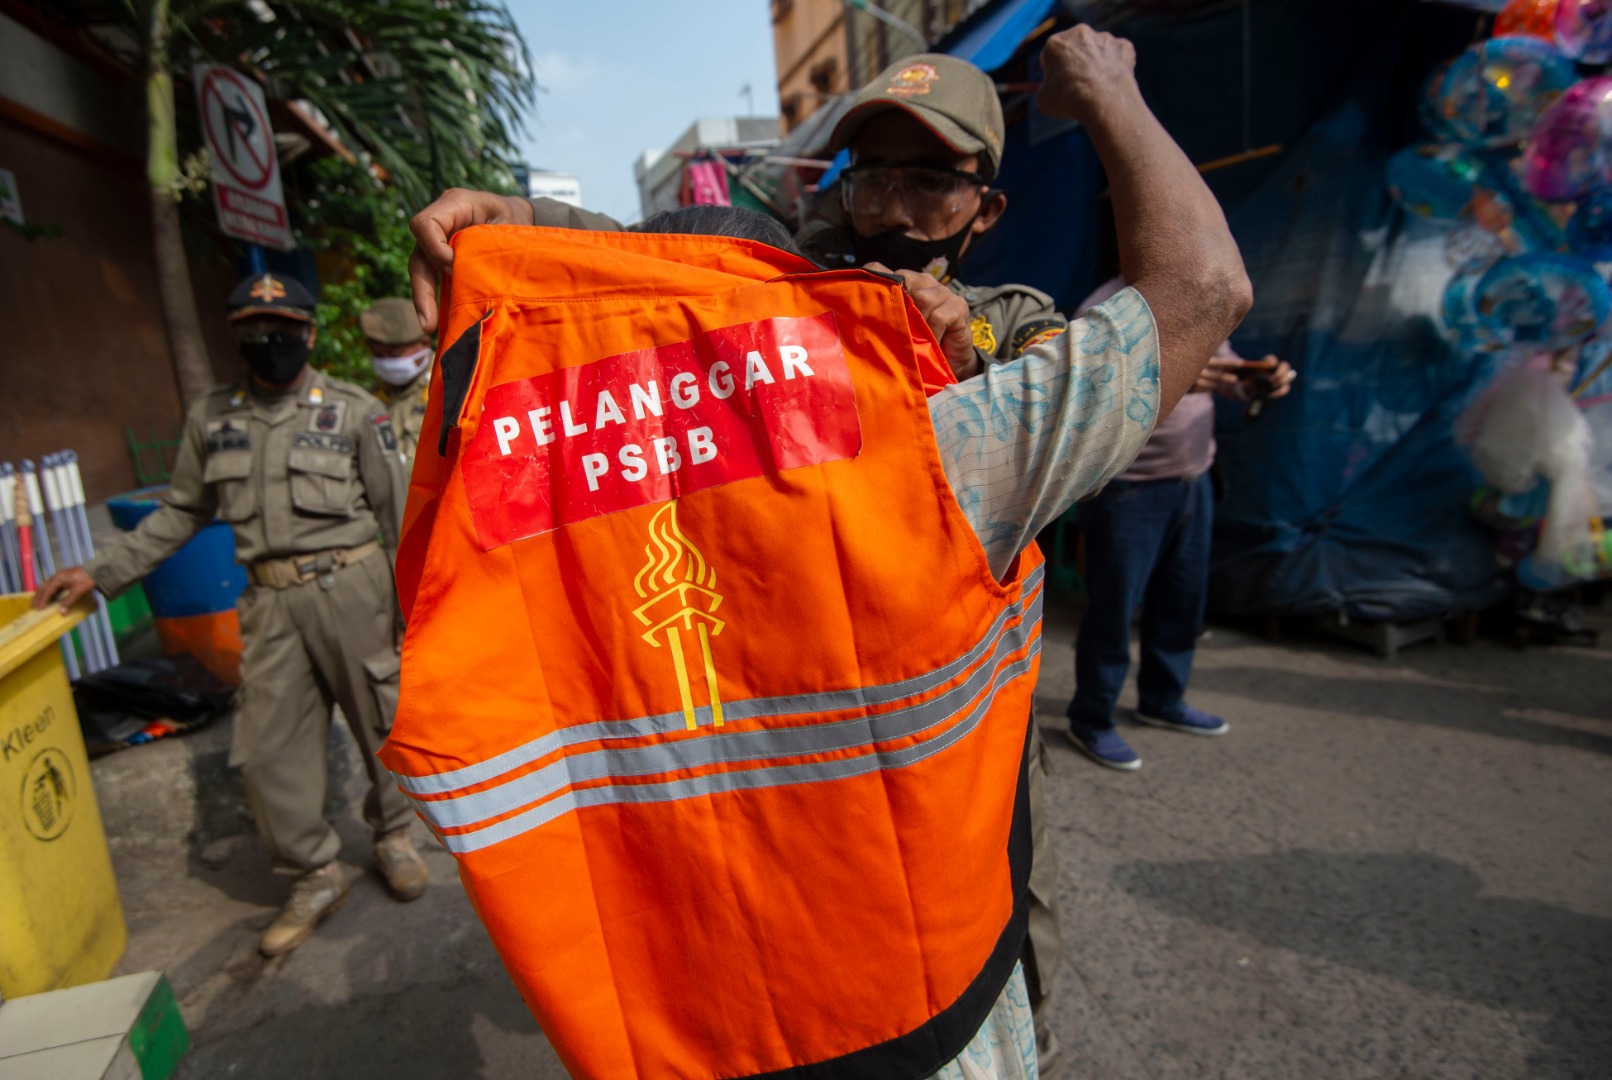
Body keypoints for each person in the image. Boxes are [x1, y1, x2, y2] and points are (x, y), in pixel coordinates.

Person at [395, 24, 1250, 1079]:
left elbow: (1107, 338)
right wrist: (521, 222)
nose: (893, 210)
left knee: (995, 903)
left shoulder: (999, 330)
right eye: (876, 174)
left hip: (949, 734)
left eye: (931, 182)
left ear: (986, 213)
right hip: (770, 730)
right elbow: (660, 263)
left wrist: (952, 348)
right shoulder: (779, 313)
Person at [33, 271, 430, 957]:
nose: (269, 339)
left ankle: (394, 835)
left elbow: (399, 518)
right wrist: (101, 573)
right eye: (253, 329)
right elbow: (182, 512)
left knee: (384, 722)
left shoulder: (354, 409)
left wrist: (413, 612)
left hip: (355, 586)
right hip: (269, 602)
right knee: (266, 748)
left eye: (282, 328)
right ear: (236, 335)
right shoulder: (214, 419)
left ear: (308, 332)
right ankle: (312, 871)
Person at [1063, 278, 1294, 771]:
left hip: (1194, 480)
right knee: (1113, 610)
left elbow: (1226, 374)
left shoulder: (1198, 290)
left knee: (1181, 600)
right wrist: (1174, 379)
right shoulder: (1104, 307)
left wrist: (1255, 381)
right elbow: (1088, 392)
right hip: (1127, 491)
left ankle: (1163, 700)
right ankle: (1092, 719)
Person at [360, 297, 434, 473]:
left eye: (394, 354)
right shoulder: (371, 396)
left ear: (424, 344)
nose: (386, 362)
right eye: (378, 354)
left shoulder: (447, 386)